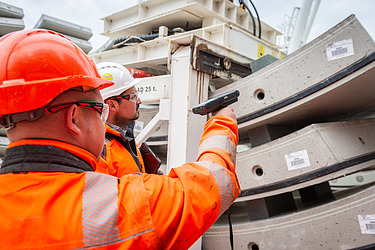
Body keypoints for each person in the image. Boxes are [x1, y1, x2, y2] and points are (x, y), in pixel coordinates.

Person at [0, 29, 240, 249]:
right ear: (73, 118)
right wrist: (222, 121)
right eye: (98, 109)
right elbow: (215, 183)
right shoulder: (124, 207)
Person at [95, 62, 159, 176]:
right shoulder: (101, 153)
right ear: (112, 105)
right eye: (133, 97)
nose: (139, 101)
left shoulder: (123, 137)